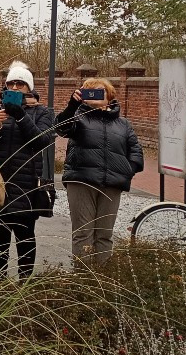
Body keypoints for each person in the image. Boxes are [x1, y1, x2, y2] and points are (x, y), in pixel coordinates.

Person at [55, 78, 143, 265]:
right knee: (83, 232)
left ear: (109, 96)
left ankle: (103, 279)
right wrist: (72, 105)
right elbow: (62, 128)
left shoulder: (123, 124)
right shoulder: (77, 117)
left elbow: (135, 150)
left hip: (111, 184)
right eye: (89, 90)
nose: (94, 93)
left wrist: (127, 171)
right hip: (81, 181)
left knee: (104, 234)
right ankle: (84, 282)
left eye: (99, 90)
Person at [0, 61, 54, 281]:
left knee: (25, 234)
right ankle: (1, 279)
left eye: (20, 84)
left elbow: (42, 141)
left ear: (29, 88)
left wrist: (22, 116)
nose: (14, 88)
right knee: (0, 233)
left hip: (27, 182)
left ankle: (24, 280)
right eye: (11, 84)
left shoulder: (42, 113)